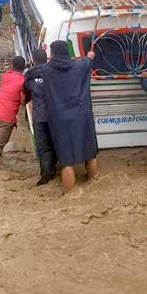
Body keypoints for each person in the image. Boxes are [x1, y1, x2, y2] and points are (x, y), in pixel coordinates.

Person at [38, 41, 99, 194]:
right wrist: (90, 56)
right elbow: (89, 58)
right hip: (82, 115)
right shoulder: (80, 65)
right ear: (68, 52)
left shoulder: (46, 70)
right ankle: (95, 189)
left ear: (51, 54)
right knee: (90, 154)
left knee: (67, 162)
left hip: (60, 119)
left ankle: (69, 199)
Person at [23, 49, 57, 185]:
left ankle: (46, 176)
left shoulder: (30, 74)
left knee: (43, 147)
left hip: (40, 116)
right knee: (56, 142)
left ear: (34, 61)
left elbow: (25, 93)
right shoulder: (54, 71)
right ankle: (57, 168)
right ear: (48, 58)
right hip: (56, 115)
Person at [0, 56, 27, 170]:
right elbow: (23, 102)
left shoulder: (6, 76)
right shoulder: (23, 81)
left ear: (12, 66)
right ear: (23, 67)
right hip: (7, 118)